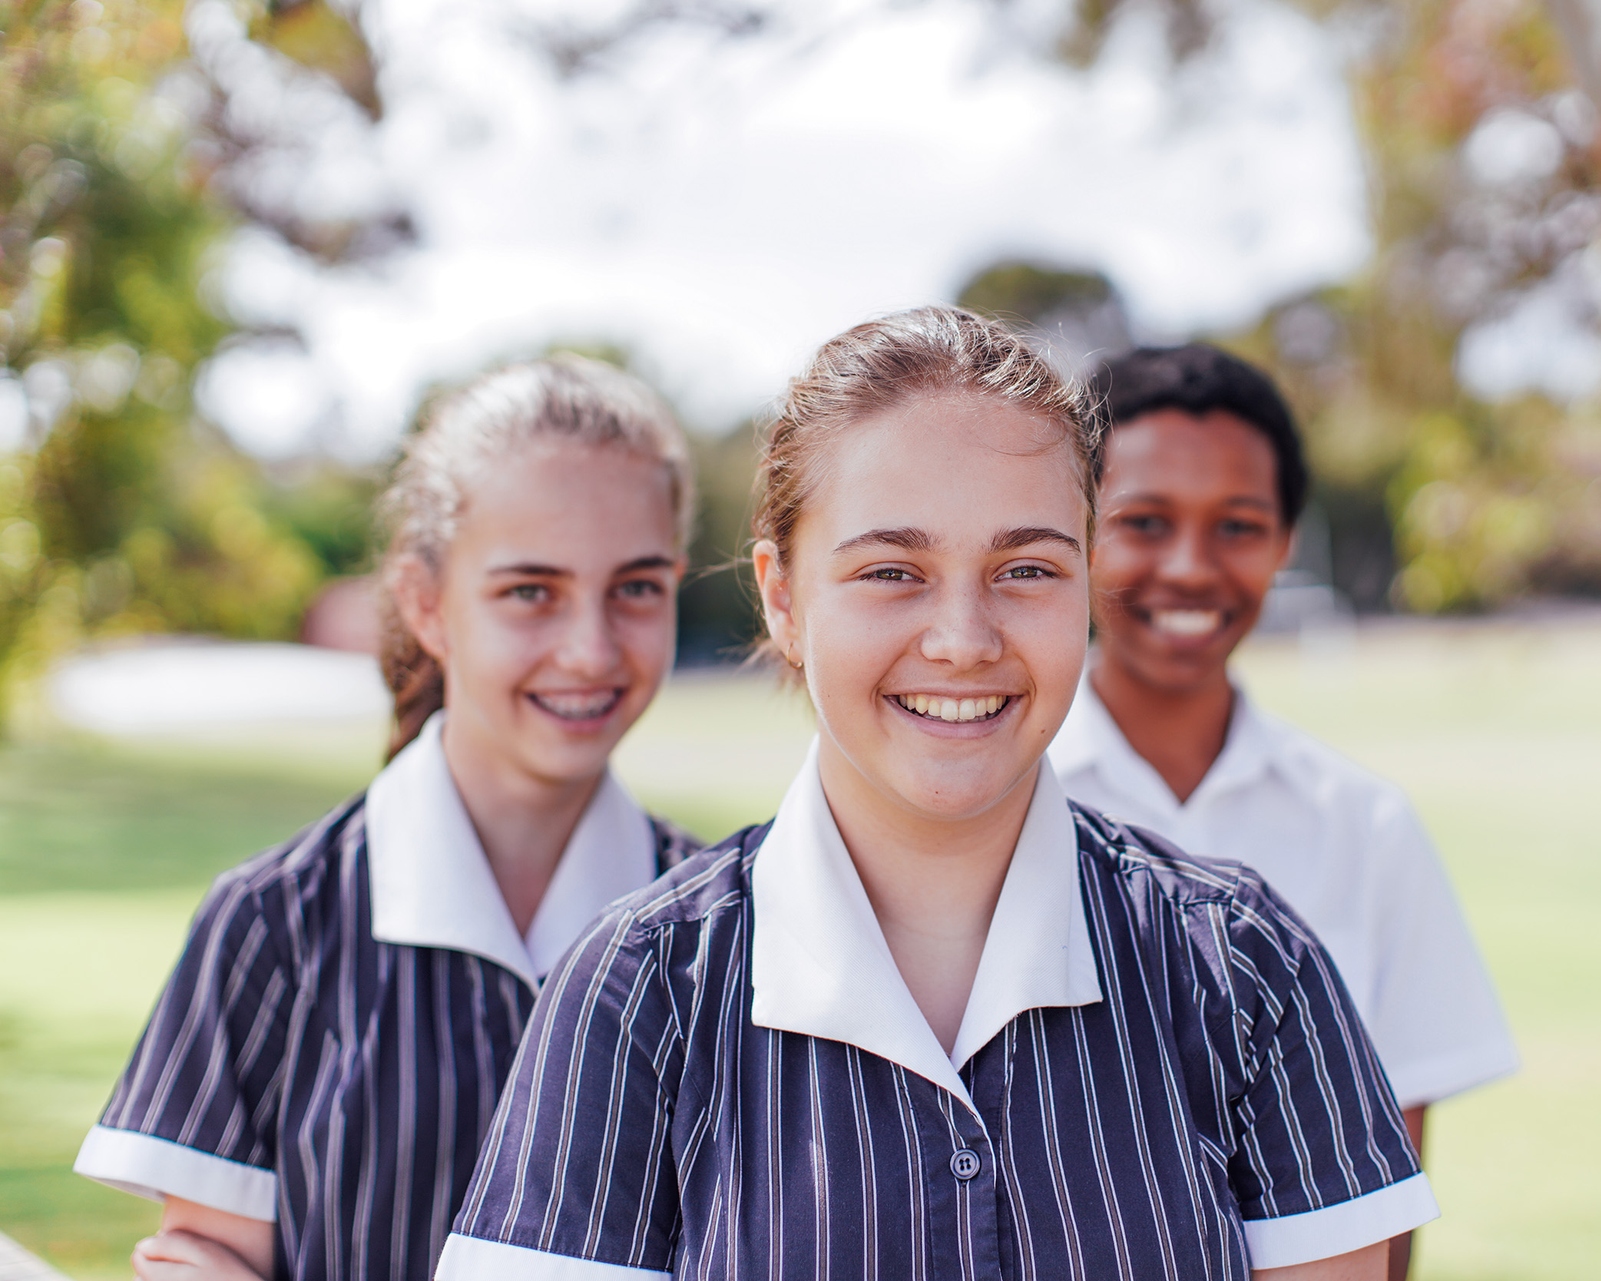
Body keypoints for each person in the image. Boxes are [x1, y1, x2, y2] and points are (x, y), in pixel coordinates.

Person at [438, 307, 1436, 1281]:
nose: (963, 638)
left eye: (1027, 567)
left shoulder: (1253, 970)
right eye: (892, 571)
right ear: (783, 598)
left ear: (1089, 583)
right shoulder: (636, 990)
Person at [72, 355, 705, 1281]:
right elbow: (205, 1257)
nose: (590, 647)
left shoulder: (733, 933)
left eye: (637, 587)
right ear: (425, 602)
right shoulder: (271, 924)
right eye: (531, 590)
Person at [1049, 343, 1519, 1281]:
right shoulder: (993, 809)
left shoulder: (1365, 829)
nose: (1190, 567)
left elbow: (1387, 1189)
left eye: (1238, 525)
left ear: (1286, 539)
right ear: (1078, 526)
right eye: (1144, 521)